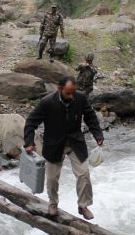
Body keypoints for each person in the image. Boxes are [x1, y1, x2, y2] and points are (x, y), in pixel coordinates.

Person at [23, 76, 104, 220]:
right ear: (60, 89)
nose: (71, 96)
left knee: (84, 174)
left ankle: (83, 205)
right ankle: (53, 203)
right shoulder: (47, 102)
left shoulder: (80, 98)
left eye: (73, 92)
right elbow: (30, 122)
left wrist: (98, 134)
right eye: (68, 93)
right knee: (52, 178)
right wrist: (29, 142)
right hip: (54, 144)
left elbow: (90, 117)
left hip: (75, 142)